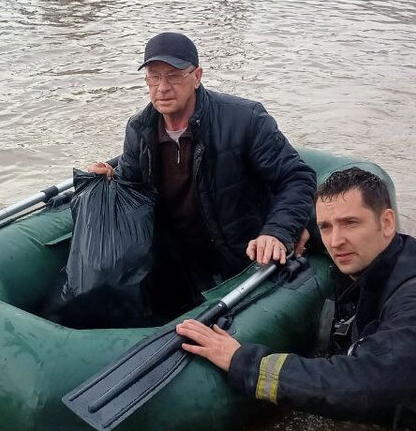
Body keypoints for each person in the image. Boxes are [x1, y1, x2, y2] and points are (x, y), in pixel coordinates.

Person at [176, 167, 416, 431]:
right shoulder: (382, 255)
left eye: (350, 223)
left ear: (387, 222)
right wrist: (290, 231)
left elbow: (358, 386)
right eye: (325, 227)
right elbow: (329, 234)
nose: (335, 241)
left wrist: (244, 363)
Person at [89, 32, 316, 317]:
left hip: (241, 255)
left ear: (197, 76)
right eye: (153, 77)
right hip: (180, 259)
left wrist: (277, 231)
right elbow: (133, 188)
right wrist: (111, 179)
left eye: (173, 76)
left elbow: (297, 177)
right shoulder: (138, 129)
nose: (162, 88)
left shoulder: (246, 119)